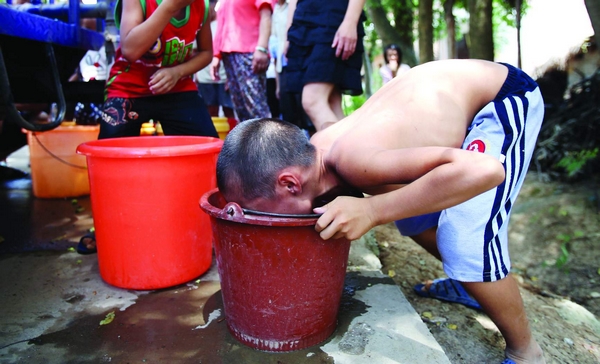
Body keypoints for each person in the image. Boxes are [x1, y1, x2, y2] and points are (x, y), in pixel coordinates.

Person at [216, 60, 546, 364]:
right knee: (411, 211)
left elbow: (485, 171)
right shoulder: (319, 149)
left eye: (264, 213)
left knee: (465, 239)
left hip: (501, 101)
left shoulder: (356, 162)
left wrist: (373, 210)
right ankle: (468, 285)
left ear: (289, 184)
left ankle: (526, 351)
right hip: (451, 97)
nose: (269, 222)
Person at [78, 0, 218, 254]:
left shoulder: (202, 7)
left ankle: (207, 222)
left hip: (177, 86)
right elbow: (130, 49)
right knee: (110, 157)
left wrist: (177, 72)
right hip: (129, 87)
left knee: (208, 152)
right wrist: (168, 7)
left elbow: (206, 53)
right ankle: (104, 225)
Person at [283, 0, 366, 131]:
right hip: (302, 22)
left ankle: (346, 151)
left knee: (312, 100)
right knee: (331, 101)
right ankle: (355, 150)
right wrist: (289, 32)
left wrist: (350, 21)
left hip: (334, 16)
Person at [210, 0, 273, 122]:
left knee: (256, 107)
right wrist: (216, 55)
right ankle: (248, 141)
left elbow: (266, 16)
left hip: (250, 52)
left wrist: (262, 48)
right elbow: (222, 24)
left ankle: (268, 140)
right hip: (229, 53)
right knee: (240, 109)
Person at [195, 0, 236, 119]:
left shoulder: (224, 25)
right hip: (205, 77)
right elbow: (193, 52)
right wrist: (196, 74)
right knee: (210, 110)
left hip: (223, 76)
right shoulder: (201, 25)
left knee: (229, 109)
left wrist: (230, 77)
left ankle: (231, 135)